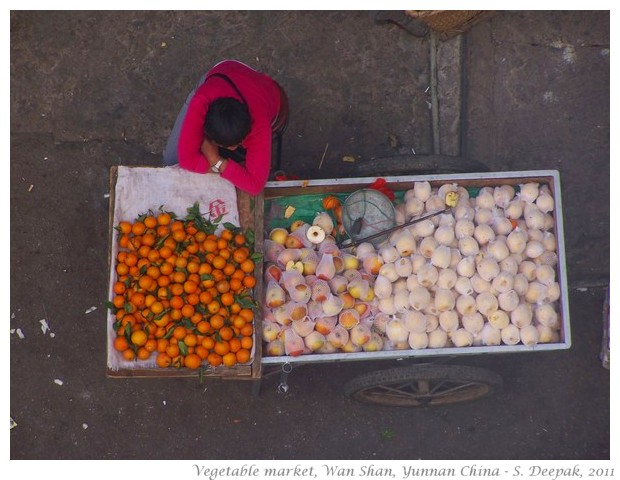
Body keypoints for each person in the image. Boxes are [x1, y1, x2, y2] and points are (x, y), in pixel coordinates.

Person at [163, 60, 288, 196]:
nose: (234, 148)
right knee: (171, 162)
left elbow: (255, 185)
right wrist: (231, 170)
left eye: (238, 144)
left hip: (263, 91)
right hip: (222, 76)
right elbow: (187, 160)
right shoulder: (201, 101)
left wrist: (215, 160)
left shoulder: (259, 124)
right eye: (229, 146)